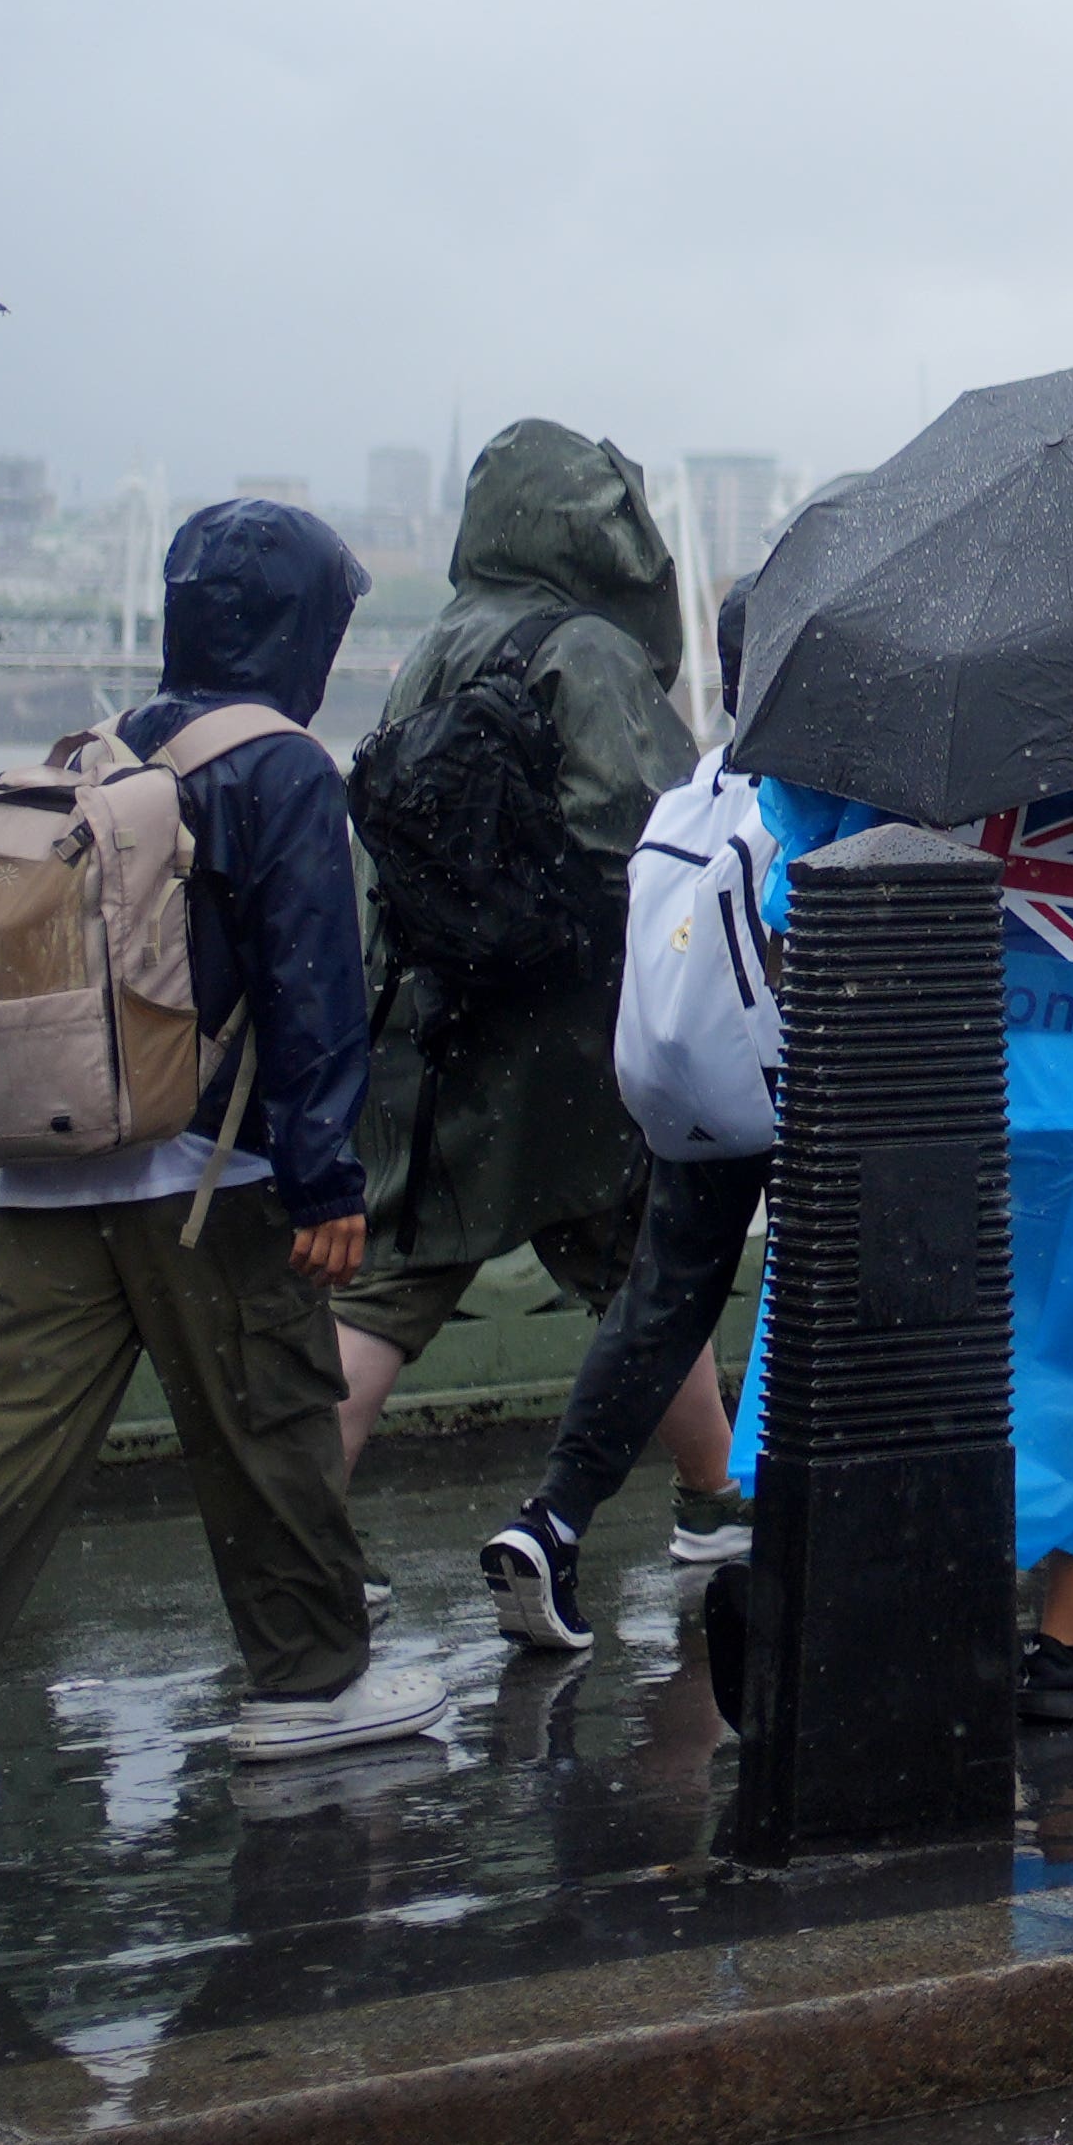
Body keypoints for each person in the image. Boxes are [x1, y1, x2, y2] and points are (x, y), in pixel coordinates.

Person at [0, 502, 448, 1817]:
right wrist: (327, 1182)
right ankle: (311, 1684)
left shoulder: (114, 740)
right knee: (272, 1424)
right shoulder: (283, 768)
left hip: (52, 1160)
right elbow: (311, 987)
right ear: (301, 630)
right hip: (210, 1173)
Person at [749, 725, 1073, 1724]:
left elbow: (798, 840)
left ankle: (899, 1615)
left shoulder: (879, 653)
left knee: (890, 1338)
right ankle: (1072, 1638)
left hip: (904, 1041)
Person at [334, 423, 701, 1483]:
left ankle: (299, 1550)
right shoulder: (586, 650)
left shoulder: (441, 639)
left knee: (384, 1294)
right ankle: (715, 1496)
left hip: (432, 1022)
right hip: (566, 1044)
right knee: (648, 1278)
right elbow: (654, 841)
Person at [479, 577, 781, 1654]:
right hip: (794, 1076)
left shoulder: (705, 783)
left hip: (692, 1083)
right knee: (842, 1294)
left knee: (663, 1303)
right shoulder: (811, 792)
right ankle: (815, 1533)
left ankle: (553, 1518)